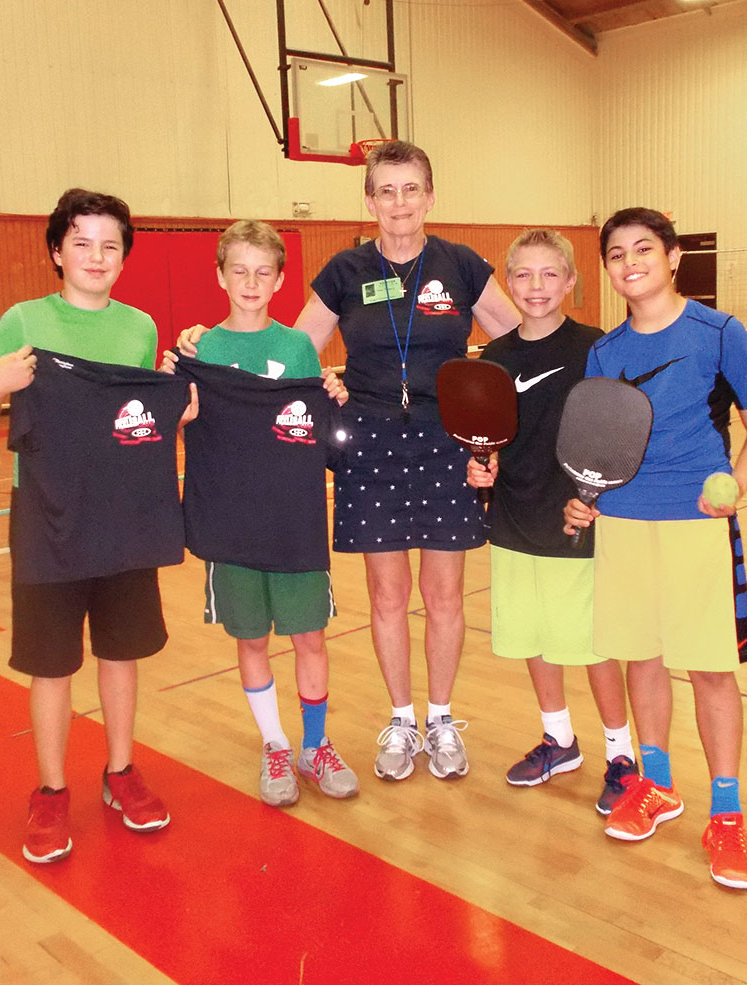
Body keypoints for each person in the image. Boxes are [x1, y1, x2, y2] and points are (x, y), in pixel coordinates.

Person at [177, 141, 520, 781]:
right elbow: (287, 351)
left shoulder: (462, 266)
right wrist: (203, 345)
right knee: (387, 597)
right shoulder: (344, 270)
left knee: (444, 596)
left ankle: (440, 720)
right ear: (369, 201)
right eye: (385, 191)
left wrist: (494, 425)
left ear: (430, 196)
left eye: (410, 189)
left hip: (447, 445)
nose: (399, 203)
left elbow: (518, 339)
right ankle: (399, 718)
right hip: (371, 446)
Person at [0, 188, 191, 864]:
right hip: (46, 513)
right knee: (51, 660)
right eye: (82, 243)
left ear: (124, 256)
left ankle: (121, 772)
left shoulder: (140, 328)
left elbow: (135, 419)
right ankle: (51, 788)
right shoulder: (22, 319)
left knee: (120, 651)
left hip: (124, 510)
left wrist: (173, 403)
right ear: (56, 251)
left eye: (110, 245)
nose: (96, 256)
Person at [564, 207, 747, 890]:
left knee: (711, 669)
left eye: (643, 249)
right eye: (617, 253)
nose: (630, 263)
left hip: (695, 523)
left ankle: (726, 812)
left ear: (673, 255)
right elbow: (601, 446)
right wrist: (584, 499)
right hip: (622, 522)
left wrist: (733, 487)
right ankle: (655, 784)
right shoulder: (603, 352)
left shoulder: (720, 333)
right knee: (642, 656)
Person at [169, 219, 360, 807]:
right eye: (239, 271)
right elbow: (177, 423)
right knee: (250, 639)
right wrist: (174, 393)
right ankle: (275, 744)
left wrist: (334, 397)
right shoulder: (199, 350)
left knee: (309, 636)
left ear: (279, 279)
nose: (250, 282)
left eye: (263, 272)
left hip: (292, 521)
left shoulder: (298, 347)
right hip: (230, 522)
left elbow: (315, 431)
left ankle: (316, 745)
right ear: (220, 275)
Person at [465, 230, 637, 814]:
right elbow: (489, 438)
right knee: (535, 635)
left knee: (590, 644)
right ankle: (559, 739)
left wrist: (597, 501)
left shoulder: (598, 349)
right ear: (508, 283)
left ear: (569, 282)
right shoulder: (495, 356)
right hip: (513, 516)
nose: (535, 287)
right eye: (522, 275)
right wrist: (481, 467)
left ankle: (622, 755)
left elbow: (618, 435)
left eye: (548, 275)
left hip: (575, 519)